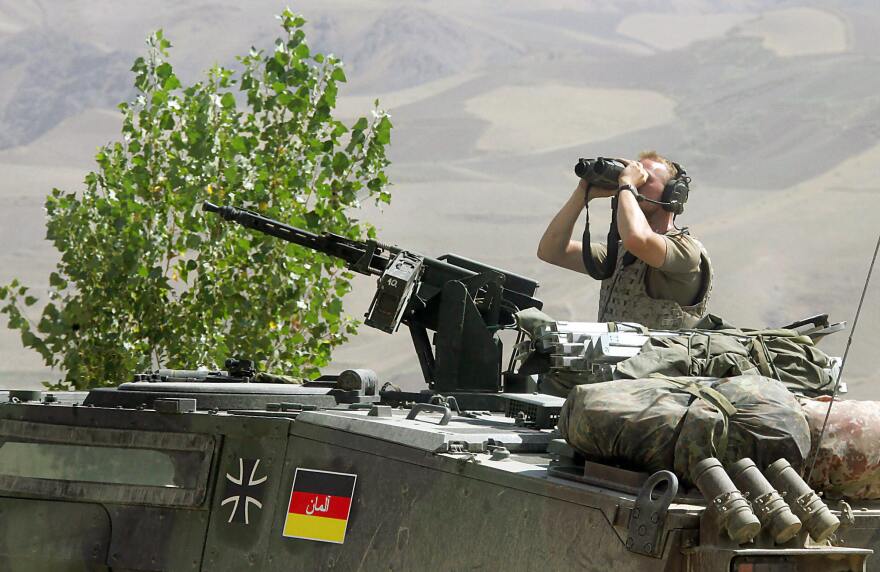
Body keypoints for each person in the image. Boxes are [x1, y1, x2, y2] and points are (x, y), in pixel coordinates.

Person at [536, 151, 712, 329]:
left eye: (645, 179)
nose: (637, 184)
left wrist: (627, 185)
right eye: (637, 177)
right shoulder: (621, 254)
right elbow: (551, 251)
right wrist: (583, 192)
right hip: (616, 356)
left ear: (672, 192)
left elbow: (638, 239)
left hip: (662, 356)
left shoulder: (685, 249)